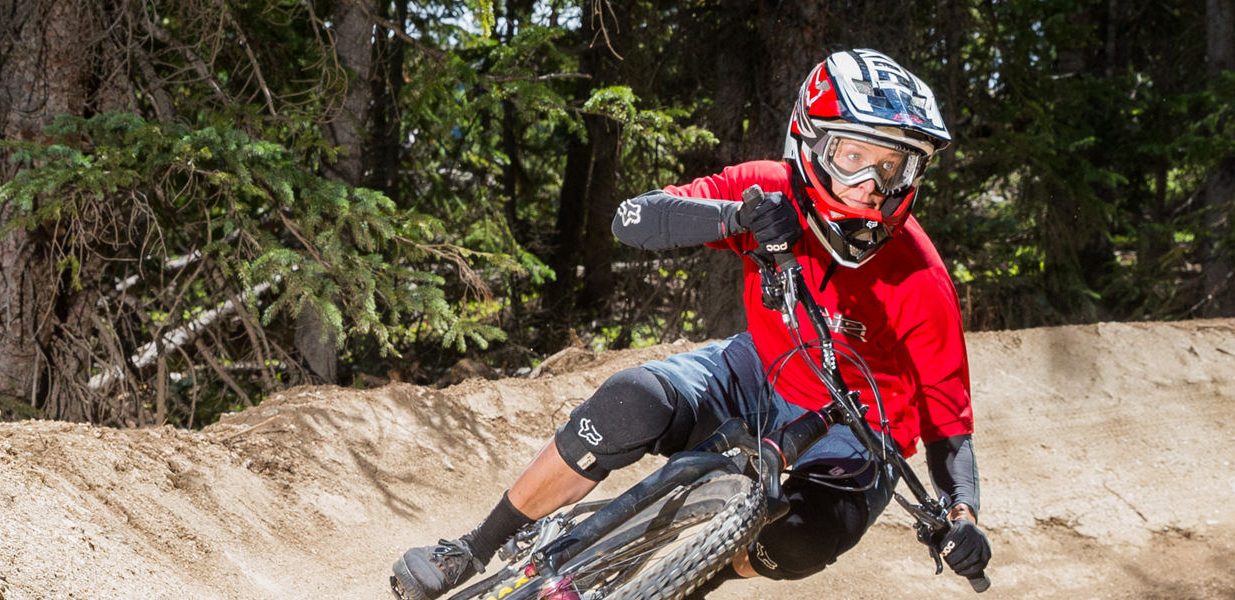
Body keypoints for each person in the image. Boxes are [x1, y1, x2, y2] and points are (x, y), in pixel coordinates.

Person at [389, 48, 989, 599]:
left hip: (860, 428)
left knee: (799, 539)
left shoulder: (919, 276)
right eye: (853, 156)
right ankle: (474, 547)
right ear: (810, 144)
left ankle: (689, 578)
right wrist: (737, 217)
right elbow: (633, 219)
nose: (868, 187)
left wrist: (963, 517)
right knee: (630, 400)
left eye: (892, 167)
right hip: (762, 368)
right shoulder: (767, 191)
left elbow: (948, 423)